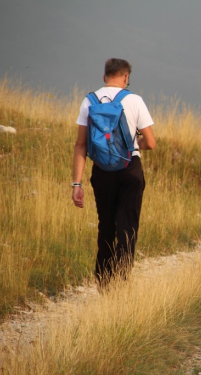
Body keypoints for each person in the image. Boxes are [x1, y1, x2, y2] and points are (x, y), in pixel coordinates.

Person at [72, 58, 156, 288]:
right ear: (126, 77)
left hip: (102, 171)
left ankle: (104, 284)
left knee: (106, 227)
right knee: (127, 227)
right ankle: (121, 282)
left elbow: (80, 145)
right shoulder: (135, 100)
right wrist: (135, 143)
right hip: (130, 170)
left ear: (104, 76)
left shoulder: (89, 101)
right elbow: (151, 142)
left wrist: (76, 185)